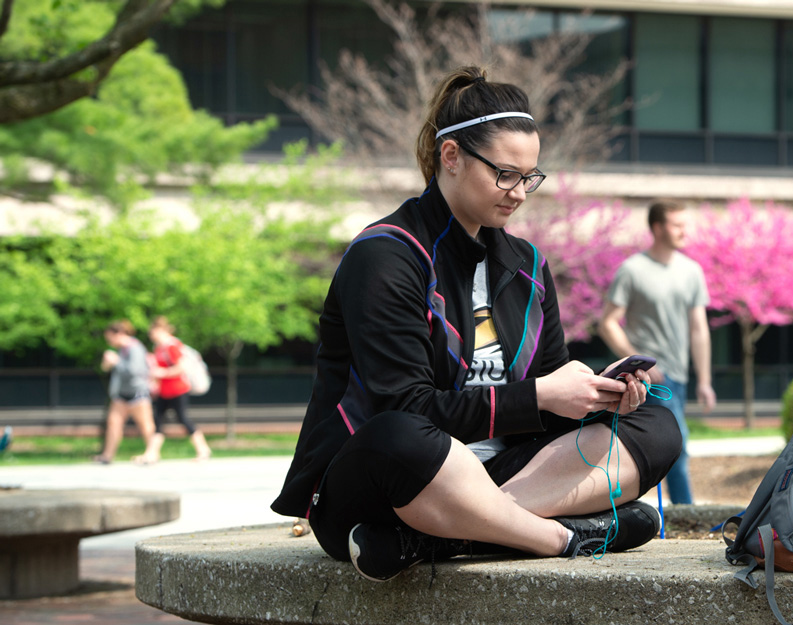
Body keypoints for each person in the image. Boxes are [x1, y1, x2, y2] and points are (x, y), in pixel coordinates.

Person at [271, 66, 682, 583]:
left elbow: (545, 401)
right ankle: (562, 538)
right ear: (451, 158)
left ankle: (442, 538)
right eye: (504, 173)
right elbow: (407, 407)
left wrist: (596, 394)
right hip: (383, 484)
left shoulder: (528, 265)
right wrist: (537, 396)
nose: (519, 192)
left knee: (658, 425)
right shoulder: (386, 256)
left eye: (529, 177)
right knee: (403, 436)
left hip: (497, 478)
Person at [598, 200, 717, 505]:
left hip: (676, 377)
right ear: (657, 228)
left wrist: (703, 380)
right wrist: (639, 361)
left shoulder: (691, 271)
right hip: (643, 378)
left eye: (684, 224)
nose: (684, 231)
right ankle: (683, 512)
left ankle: (667, 514)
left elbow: (698, 329)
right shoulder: (633, 270)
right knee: (673, 445)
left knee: (664, 446)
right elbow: (608, 323)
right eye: (677, 225)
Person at [139, 316, 212, 464]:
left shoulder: (172, 346)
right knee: (158, 422)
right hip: (164, 391)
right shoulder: (158, 348)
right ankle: (152, 453)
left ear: (160, 330)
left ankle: (203, 449)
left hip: (178, 390)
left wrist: (162, 373)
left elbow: (181, 367)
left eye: (153, 332)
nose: (151, 336)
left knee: (183, 419)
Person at [94, 320, 159, 464]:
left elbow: (136, 371)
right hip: (121, 394)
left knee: (145, 424)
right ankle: (107, 456)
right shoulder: (122, 349)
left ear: (119, 334)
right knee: (113, 423)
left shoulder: (135, 348)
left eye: (110, 337)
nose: (109, 341)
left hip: (138, 392)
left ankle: (153, 453)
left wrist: (116, 362)